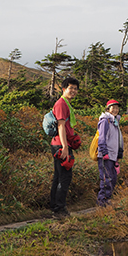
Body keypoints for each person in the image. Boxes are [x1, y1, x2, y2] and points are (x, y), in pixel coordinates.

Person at [50, 77, 80, 219]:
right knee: (65, 177)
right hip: (61, 144)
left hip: (59, 143)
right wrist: (65, 147)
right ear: (64, 89)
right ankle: (59, 209)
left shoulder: (66, 103)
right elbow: (61, 125)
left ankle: (55, 206)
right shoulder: (61, 104)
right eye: (70, 88)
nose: (73, 91)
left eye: (75, 88)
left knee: (59, 176)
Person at [97, 99, 124, 206]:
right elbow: (102, 137)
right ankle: (102, 201)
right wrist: (104, 152)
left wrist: (118, 154)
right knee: (106, 178)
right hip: (106, 155)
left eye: (117, 108)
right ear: (108, 108)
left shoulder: (115, 121)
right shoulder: (105, 120)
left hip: (113, 155)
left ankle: (107, 198)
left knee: (112, 178)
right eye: (113, 107)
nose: (115, 110)